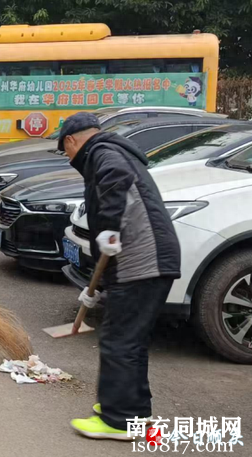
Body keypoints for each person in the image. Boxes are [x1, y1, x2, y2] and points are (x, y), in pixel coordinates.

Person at [58, 112, 181, 440]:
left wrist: (110, 228)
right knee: (131, 339)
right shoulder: (112, 148)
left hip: (143, 262)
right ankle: (134, 412)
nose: (69, 158)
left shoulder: (103, 153)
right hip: (148, 262)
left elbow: (115, 180)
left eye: (65, 150)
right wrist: (95, 288)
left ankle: (119, 421)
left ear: (71, 140)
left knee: (119, 339)